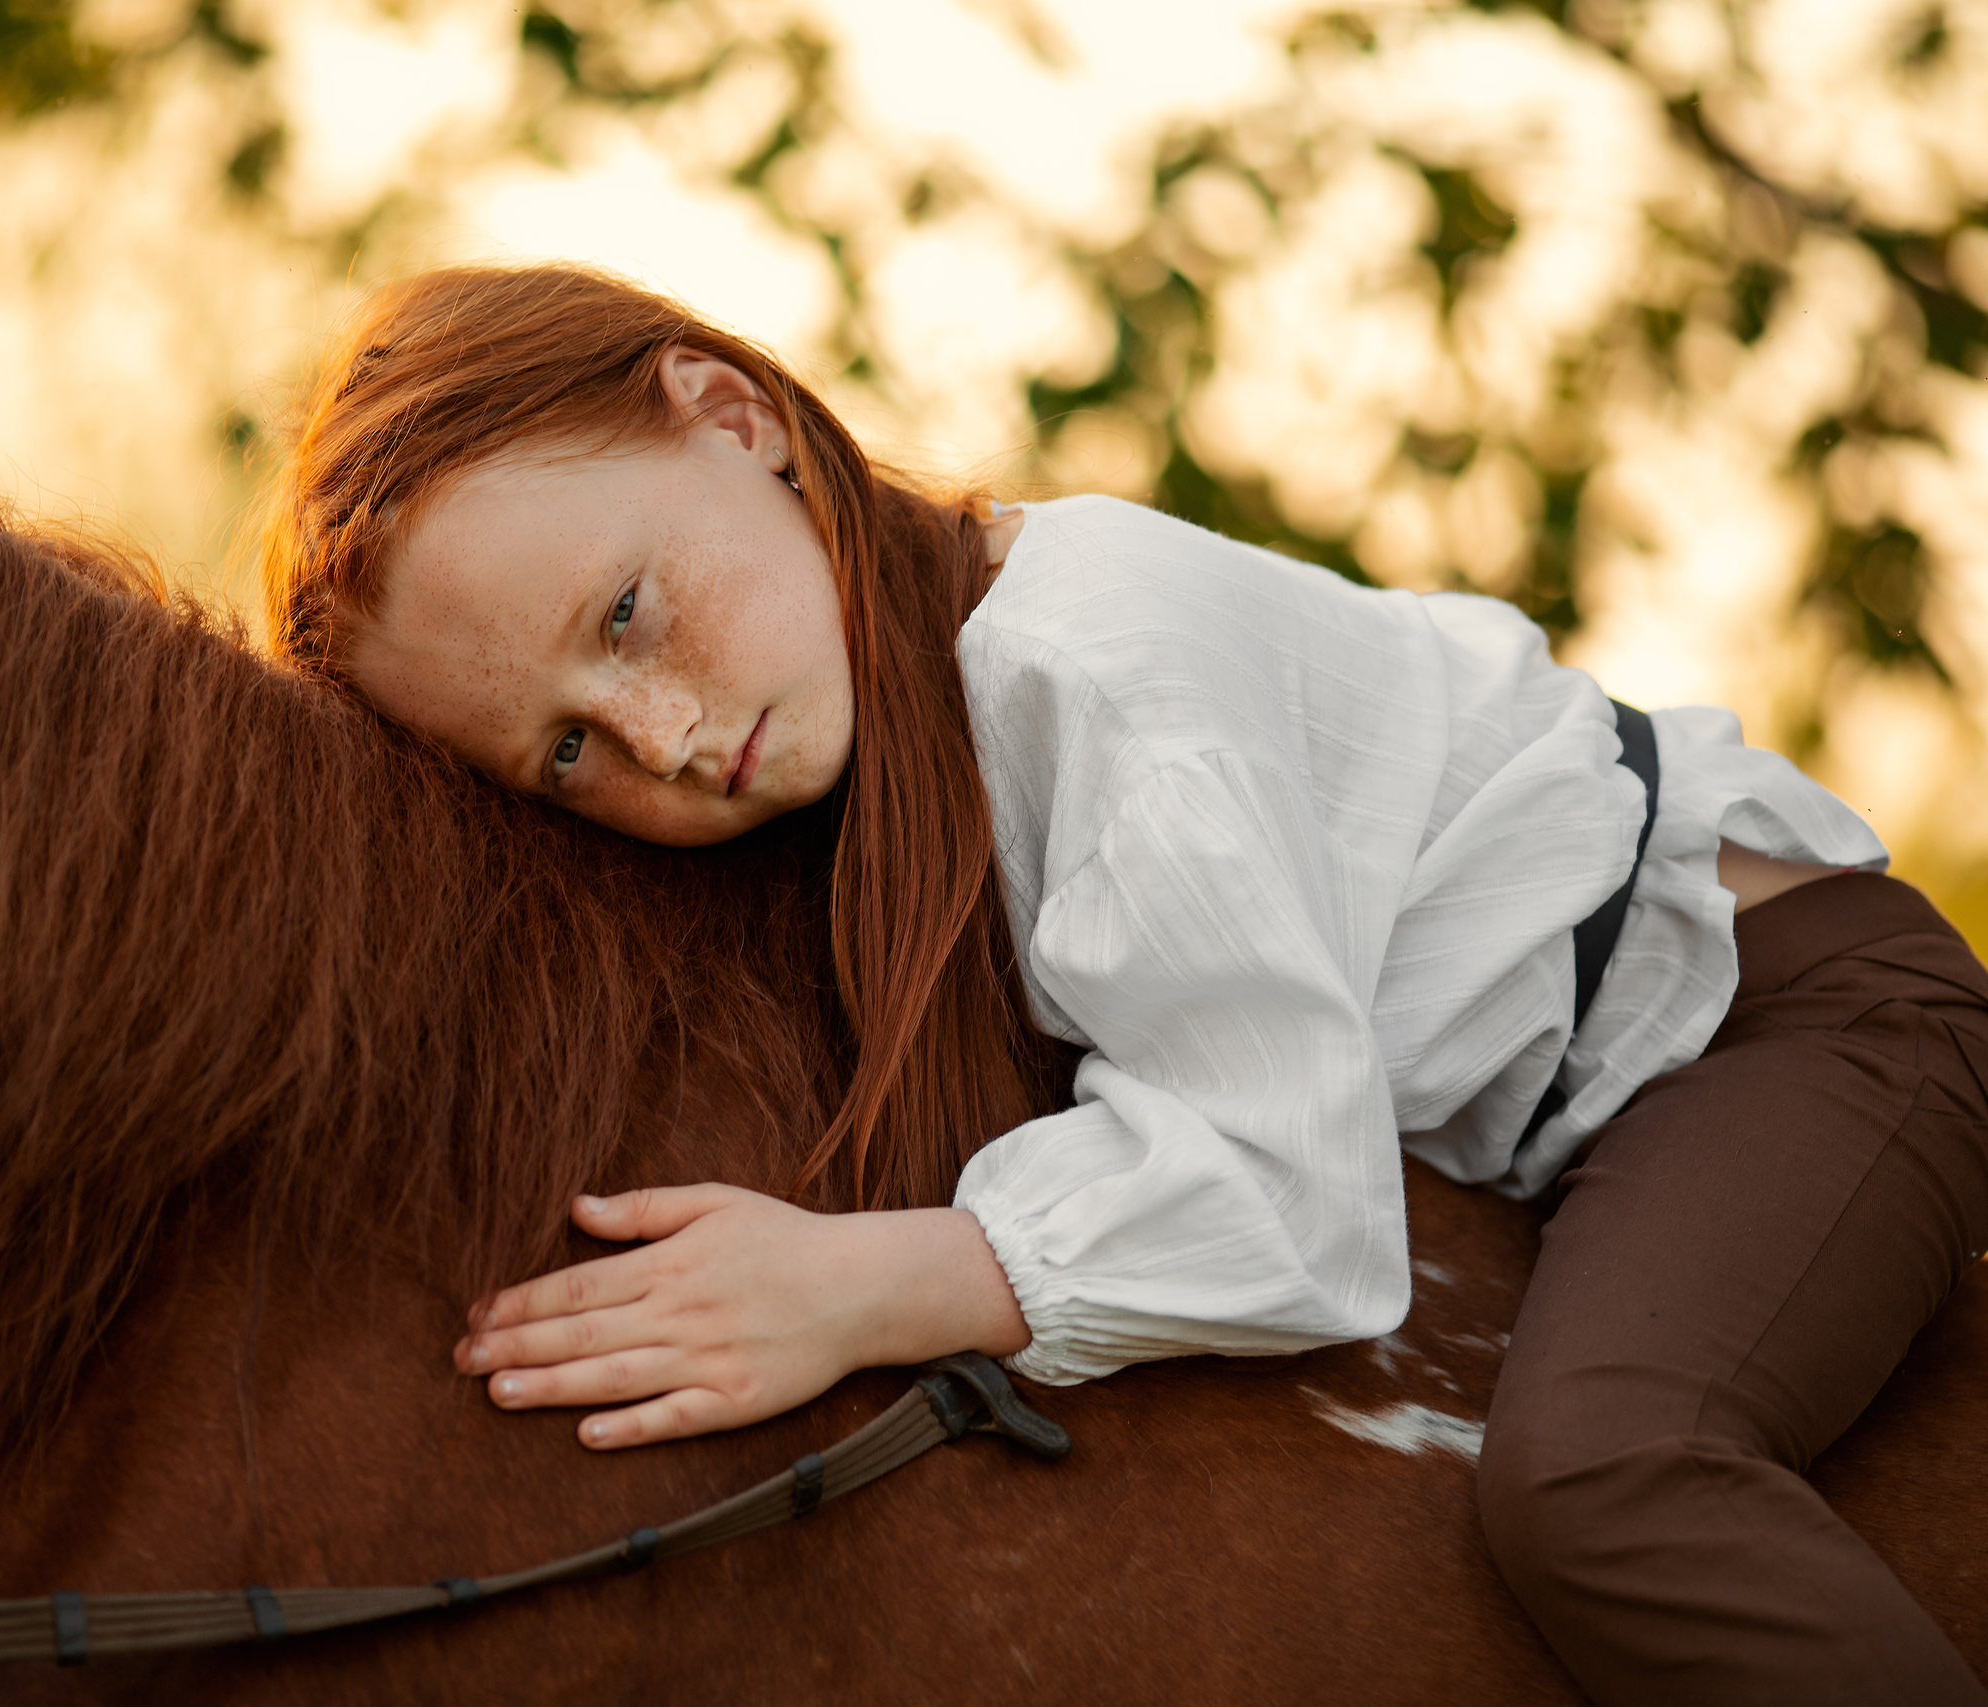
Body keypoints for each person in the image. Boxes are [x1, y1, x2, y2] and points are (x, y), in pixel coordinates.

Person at [261, 264, 1988, 1705]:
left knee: (1608, 1477)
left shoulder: (1081, 664)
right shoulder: (901, 719)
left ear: (736, 418)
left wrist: (855, 1288)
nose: (664, 738)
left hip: (1772, 1019)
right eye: (566, 749)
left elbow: (1289, 1195)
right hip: (1571, 1111)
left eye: (629, 612)